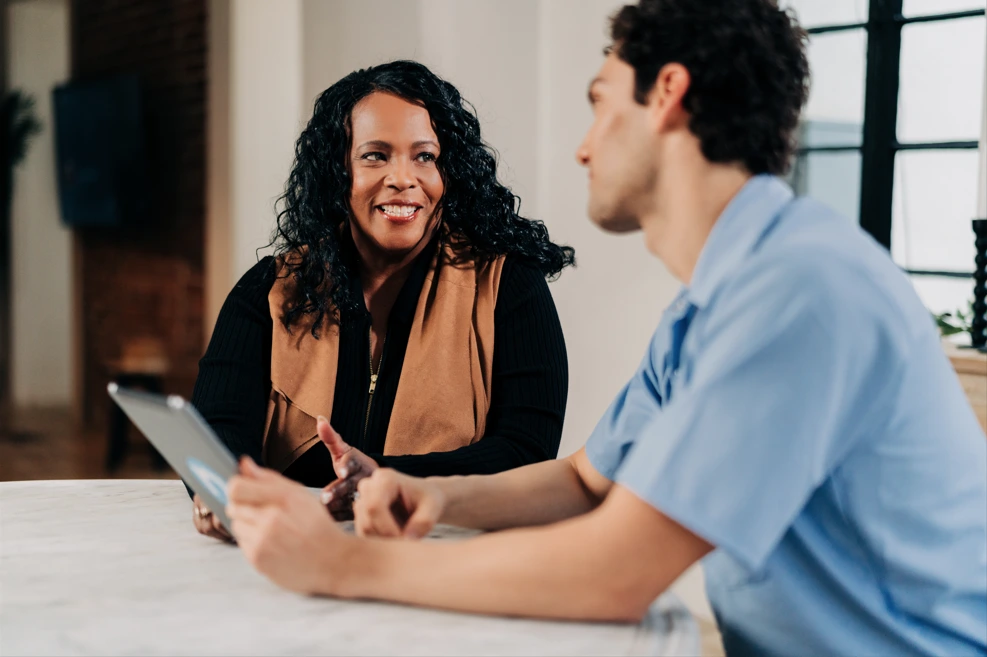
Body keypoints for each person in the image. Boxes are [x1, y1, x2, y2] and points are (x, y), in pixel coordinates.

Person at [223, 1, 987, 655]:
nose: (583, 145)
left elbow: (615, 572)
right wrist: (420, 491)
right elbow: (587, 480)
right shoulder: (709, 307)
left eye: (598, 102)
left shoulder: (800, 290)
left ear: (666, 96)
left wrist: (340, 566)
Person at [189, 61, 573, 541]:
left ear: (448, 171)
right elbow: (215, 431)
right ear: (338, 170)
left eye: (425, 156)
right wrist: (217, 492)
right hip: (295, 554)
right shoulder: (267, 290)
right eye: (375, 156)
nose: (402, 178)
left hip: (447, 557)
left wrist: (387, 478)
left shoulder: (508, 284)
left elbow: (528, 452)